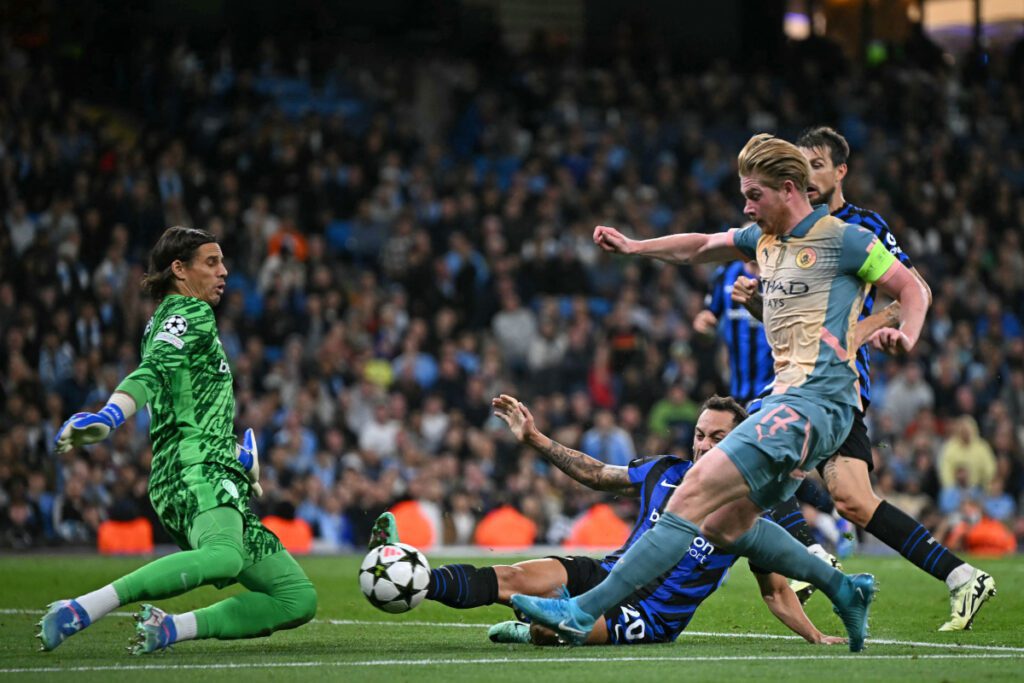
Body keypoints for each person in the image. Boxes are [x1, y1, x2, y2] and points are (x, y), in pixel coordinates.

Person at [512, 133, 931, 653]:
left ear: (788, 188)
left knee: (691, 491)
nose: (747, 207)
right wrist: (637, 246)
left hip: (817, 404)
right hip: (790, 405)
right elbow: (701, 246)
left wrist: (905, 334)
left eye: (755, 195)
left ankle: (581, 611)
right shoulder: (764, 240)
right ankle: (846, 589)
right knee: (722, 525)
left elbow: (911, 288)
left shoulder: (846, 240)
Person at [732, 127, 995, 630]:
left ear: (840, 171)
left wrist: (870, 332)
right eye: (800, 164)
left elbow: (914, 291)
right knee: (853, 499)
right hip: (798, 377)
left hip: (837, 382)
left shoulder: (860, 227)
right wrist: (759, 305)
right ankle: (962, 576)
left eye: (816, 164)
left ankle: (810, 556)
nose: (807, 174)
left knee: (753, 454)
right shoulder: (784, 229)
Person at [370, 394, 844, 647]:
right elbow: (596, 475)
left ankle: (530, 625)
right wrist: (534, 438)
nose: (704, 446)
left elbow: (775, 592)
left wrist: (816, 636)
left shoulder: (746, 509)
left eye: (718, 438)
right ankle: (414, 577)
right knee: (510, 577)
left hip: (650, 616)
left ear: (738, 443)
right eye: (700, 435)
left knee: (549, 630)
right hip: (606, 575)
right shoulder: (664, 471)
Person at [37, 226, 317, 654]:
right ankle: (82, 608)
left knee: (296, 598)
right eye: (212, 262)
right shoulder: (188, 313)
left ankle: (169, 628)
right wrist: (110, 416)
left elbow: (182, 407)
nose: (224, 271)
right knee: (225, 557)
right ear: (180, 269)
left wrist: (237, 457)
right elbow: (152, 372)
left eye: (222, 262)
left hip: (213, 468)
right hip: (194, 470)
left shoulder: (171, 321)